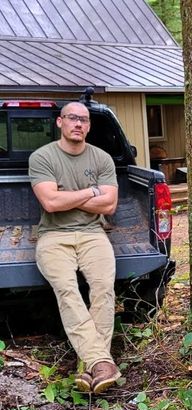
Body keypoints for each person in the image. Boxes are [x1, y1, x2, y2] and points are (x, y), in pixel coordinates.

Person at [29, 102, 121, 394]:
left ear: (89, 126)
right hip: (53, 237)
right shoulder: (43, 157)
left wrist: (67, 195)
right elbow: (50, 204)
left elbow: (109, 205)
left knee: (103, 289)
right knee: (67, 290)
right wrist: (91, 192)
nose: (78, 124)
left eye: (83, 120)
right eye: (72, 118)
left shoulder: (102, 158)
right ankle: (102, 363)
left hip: (93, 233)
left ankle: (89, 367)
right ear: (60, 122)